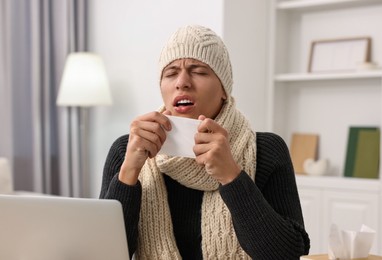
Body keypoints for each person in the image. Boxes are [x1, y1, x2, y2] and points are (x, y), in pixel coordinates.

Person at [100, 25, 310, 260]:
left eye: (198, 71)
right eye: (170, 73)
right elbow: (103, 254)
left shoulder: (267, 149)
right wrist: (129, 171)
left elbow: (287, 254)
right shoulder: (127, 149)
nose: (182, 82)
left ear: (223, 89)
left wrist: (231, 176)